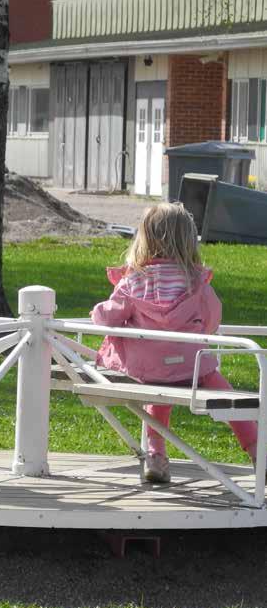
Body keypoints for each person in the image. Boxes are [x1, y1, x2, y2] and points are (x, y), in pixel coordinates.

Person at [91, 202, 257, 484]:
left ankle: (156, 457)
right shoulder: (195, 281)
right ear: (188, 240)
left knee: (157, 396)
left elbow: (108, 318)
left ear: (144, 237)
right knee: (228, 397)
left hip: (148, 371)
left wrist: (97, 311)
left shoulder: (134, 281)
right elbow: (212, 316)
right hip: (193, 369)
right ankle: (257, 450)